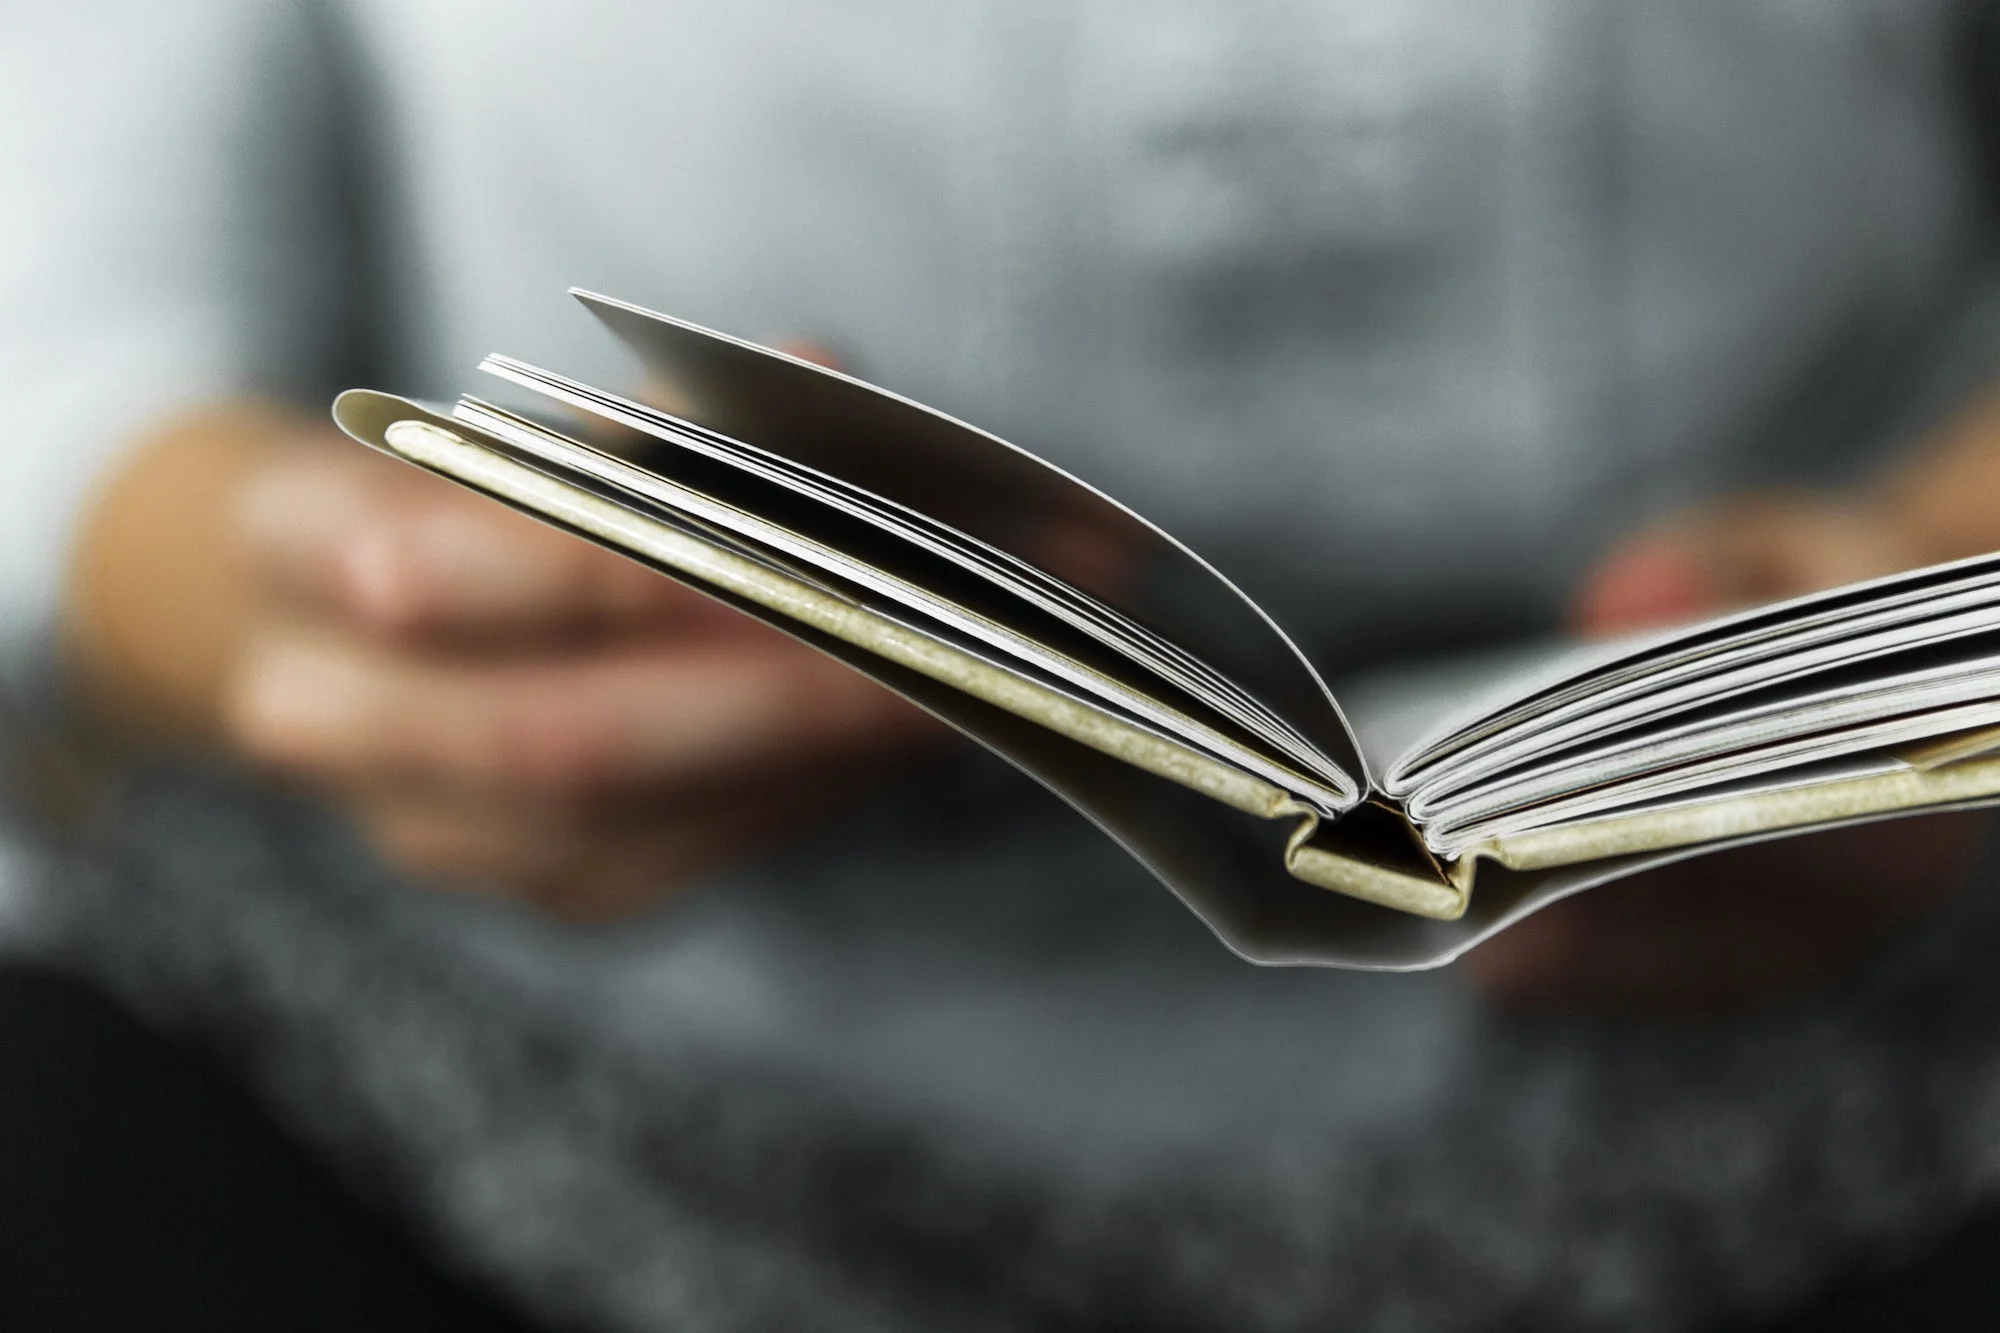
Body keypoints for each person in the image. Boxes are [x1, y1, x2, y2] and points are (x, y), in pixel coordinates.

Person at [8, 1, 2000, 1328]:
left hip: (1864, 1069)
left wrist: (1922, 605)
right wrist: (337, 602)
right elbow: (74, 334)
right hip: (465, 1087)